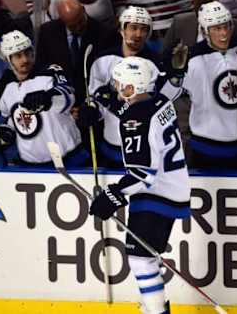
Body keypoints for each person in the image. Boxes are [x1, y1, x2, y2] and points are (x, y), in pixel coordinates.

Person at [89, 56, 190, 314]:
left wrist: (112, 196)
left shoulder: (133, 119)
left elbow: (142, 174)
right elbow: (138, 112)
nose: (117, 88)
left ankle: (156, 312)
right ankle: (152, 308)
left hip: (156, 193)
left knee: (141, 260)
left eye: (121, 85)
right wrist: (110, 102)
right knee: (144, 258)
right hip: (173, 187)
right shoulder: (160, 101)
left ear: (133, 87)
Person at [79, 6, 177, 168]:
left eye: (143, 29)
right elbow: (95, 98)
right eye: (133, 28)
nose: (138, 34)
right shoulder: (103, 61)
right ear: (121, 29)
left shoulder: (156, 65)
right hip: (111, 146)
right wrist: (91, 110)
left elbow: (159, 107)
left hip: (145, 148)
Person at [176, 1, 237, 170]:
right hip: (207, 151)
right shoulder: (191, 59)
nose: (224, 33)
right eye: (217, 29)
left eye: (226, 27)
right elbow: (170, 94)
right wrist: (174, 73)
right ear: (205, 31)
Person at [0, 30, 88, 167]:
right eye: (18, 56)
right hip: (30, 165)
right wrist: (6, 130)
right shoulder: (6, 87)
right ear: (9, 59)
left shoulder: (50, 71)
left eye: (28, 53)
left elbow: (68, 94)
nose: (25, 59)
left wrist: (47, 97)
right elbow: (7, 117)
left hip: (69, 158)